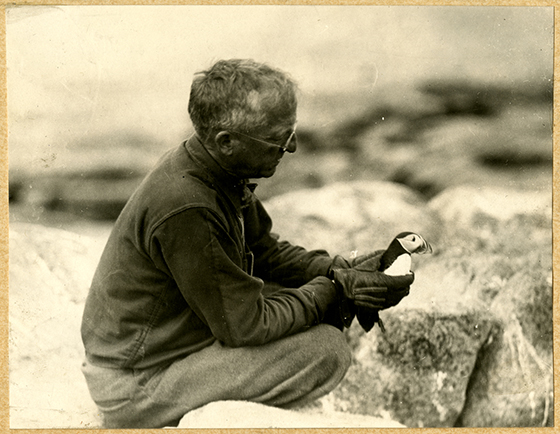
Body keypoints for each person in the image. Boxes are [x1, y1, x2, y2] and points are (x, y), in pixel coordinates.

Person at [80, 58, 414, 428]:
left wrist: (338, 268)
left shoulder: (213, 167)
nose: (293, 148)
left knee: (304, 305)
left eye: (292, 131)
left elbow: (265, 252)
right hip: (135, 381)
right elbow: (246, 327)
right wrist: (334, 289)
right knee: (326, 350)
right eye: (279, 138)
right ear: (227, 142)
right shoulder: (189, 207)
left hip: (170, 340)